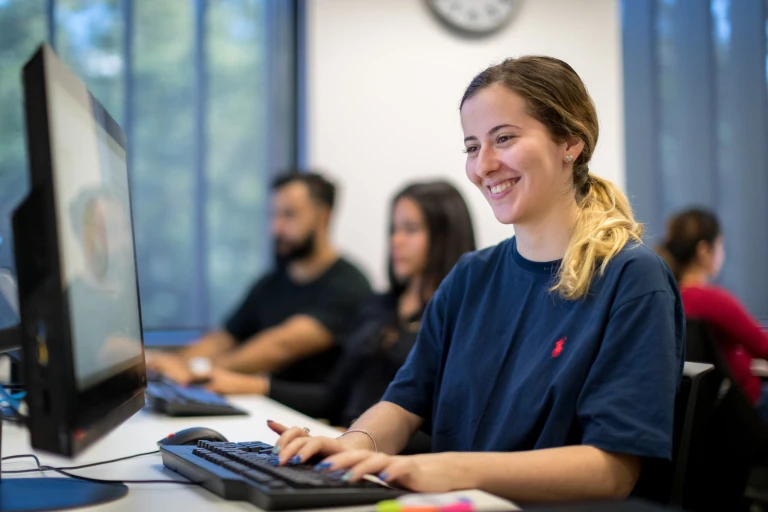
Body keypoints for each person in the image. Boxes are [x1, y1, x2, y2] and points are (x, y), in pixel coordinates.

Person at [268, 56, 684, 503]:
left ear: (570, 143)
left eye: (503, 138)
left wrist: (452, 469)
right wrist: (352, 445)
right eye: (471, 147)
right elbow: (404, 403)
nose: (483, 165)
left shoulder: (631, 278)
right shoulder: (470, 276)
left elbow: (613, 470)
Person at [202, 181, 476, 436]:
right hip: (348, 441)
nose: (396, 241)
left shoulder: (460, 317)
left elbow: (445, 428)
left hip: (387, 454)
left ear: (445, 237)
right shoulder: (379, 307)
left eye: (411, 229)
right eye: (394, 230)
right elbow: (334, 397)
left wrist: (354, 439)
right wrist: (253, 386)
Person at [147, 172, 372, 387]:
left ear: (323, 217)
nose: (276, 227)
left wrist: (194, 372)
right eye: (273, 215)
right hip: (267, 403)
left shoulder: (349, 285)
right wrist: (169, 364)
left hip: (309, 412)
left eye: (289, 215)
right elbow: (224, 339)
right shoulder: (270, 283)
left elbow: (280, 346)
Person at [657, 208, 768, 422]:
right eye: (721, 246)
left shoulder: (667, 298)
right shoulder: (711, 300)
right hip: (744, 411)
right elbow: (763, 347)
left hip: (703, 417)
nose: (723, 254)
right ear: (704, 251)